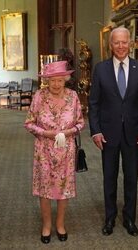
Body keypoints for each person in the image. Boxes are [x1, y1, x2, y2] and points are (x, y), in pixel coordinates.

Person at [88, 27, 138, 237]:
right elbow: (94, 103)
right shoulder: (100, 69)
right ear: (110, 45)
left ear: (130, 43)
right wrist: (96, 131)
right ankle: (109, 218)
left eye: (125, 42)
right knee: (109, 177)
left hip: (134, 134)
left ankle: (129, 219)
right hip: (108, 133)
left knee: (131, 178)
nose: (121, 46)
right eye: (117, 42)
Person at [24, 61, 84, 244]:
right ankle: (46, 225)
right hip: (44, 150)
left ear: (66, 79)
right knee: (45, 188)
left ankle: (60, 224)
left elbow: (81, 123)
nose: (56, 84)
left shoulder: (73, 97)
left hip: (66, 150)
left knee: (64, 187)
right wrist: (45, 133)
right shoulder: (39, 96)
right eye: (52, 80)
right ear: (47, 81)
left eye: (60, 80)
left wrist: (68, 132)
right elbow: (28, 123)